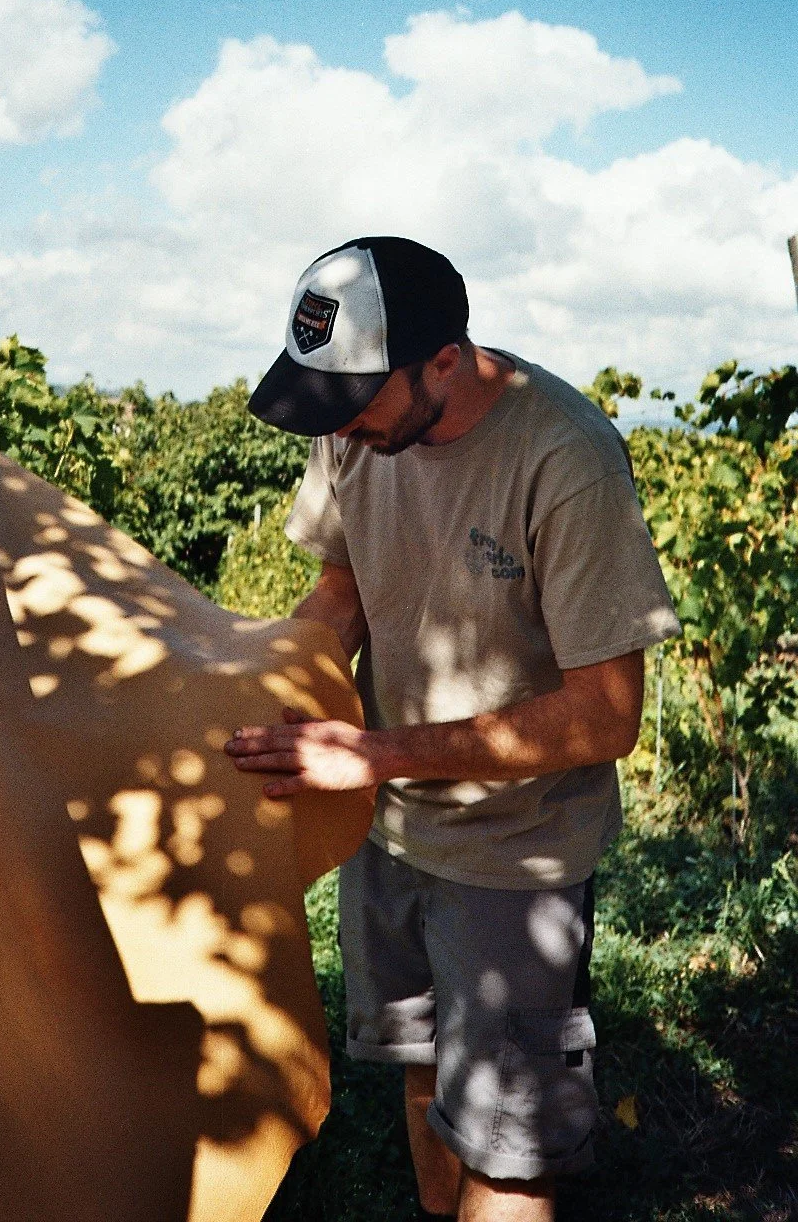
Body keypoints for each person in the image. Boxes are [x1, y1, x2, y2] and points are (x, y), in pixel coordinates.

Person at [225, 236, 680, 1222]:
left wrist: (379, 752)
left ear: (442, 360)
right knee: (423, 1079)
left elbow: (608, 716)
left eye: (357, 399)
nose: (339, 424)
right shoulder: (352, 424)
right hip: (381, 827)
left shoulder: (564, 458)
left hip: (514, 850)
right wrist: (252, 693)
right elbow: (341, 592)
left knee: (508, 1151)